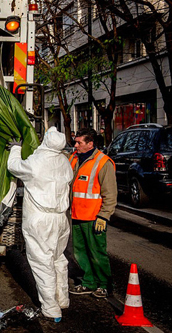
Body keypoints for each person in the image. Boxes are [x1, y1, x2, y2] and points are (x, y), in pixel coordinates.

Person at [6, 127, 74, 322]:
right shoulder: (64, 162)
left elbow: (15, 166)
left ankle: (51, 309)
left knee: (42, 262)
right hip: (60, 218)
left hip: (40, 218)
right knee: (58, 259)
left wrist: (16, 148)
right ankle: (62, 299)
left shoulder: (37, 162)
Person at [69, 128, 117, 298]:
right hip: (76, 215)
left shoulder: (103, 163)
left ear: (90, 144)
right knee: (80, 253)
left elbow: (110, 194)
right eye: (75, 142)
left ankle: (104, 284)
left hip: (93, 217)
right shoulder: (74, 158)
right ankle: (89, 282)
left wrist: (104, 215)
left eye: (79, 142)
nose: (75, 145)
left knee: (97, 253)